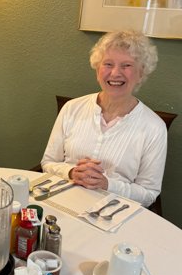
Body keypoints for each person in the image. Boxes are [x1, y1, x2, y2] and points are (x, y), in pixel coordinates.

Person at [41, 30, 167, 207]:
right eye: (108, 64)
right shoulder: (72, 108)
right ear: (97, 69)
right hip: (62, 203)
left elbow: (148, 193)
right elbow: (48, 162)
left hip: (113, 214)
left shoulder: (154, 127)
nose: (115, 73)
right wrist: (72, 172)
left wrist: (107, 184)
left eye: (127, 65)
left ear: (141, 74)